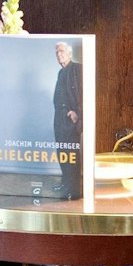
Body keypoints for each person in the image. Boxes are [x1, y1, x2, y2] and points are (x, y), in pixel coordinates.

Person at [51, 40, 85, 197]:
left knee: (71, 153)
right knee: (62, 152)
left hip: (70, 120)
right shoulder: (61, 72)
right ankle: (66, 184)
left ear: (70, 54)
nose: (59, 55)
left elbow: (84, 93)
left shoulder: (77, 69)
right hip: (60, 119)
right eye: (57, 52)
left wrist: (77, 112)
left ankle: (73, 189)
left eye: (62, 51)